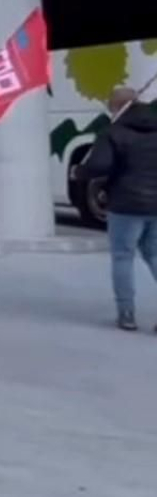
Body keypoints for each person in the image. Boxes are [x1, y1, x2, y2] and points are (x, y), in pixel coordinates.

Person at [75, 87, 157, 332]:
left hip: (125, 205)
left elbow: (100, 166)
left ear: (116, 107)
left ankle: (127, 314)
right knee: (154, 255)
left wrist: (81, 172)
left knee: (123, 256)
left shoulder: (112, 132)